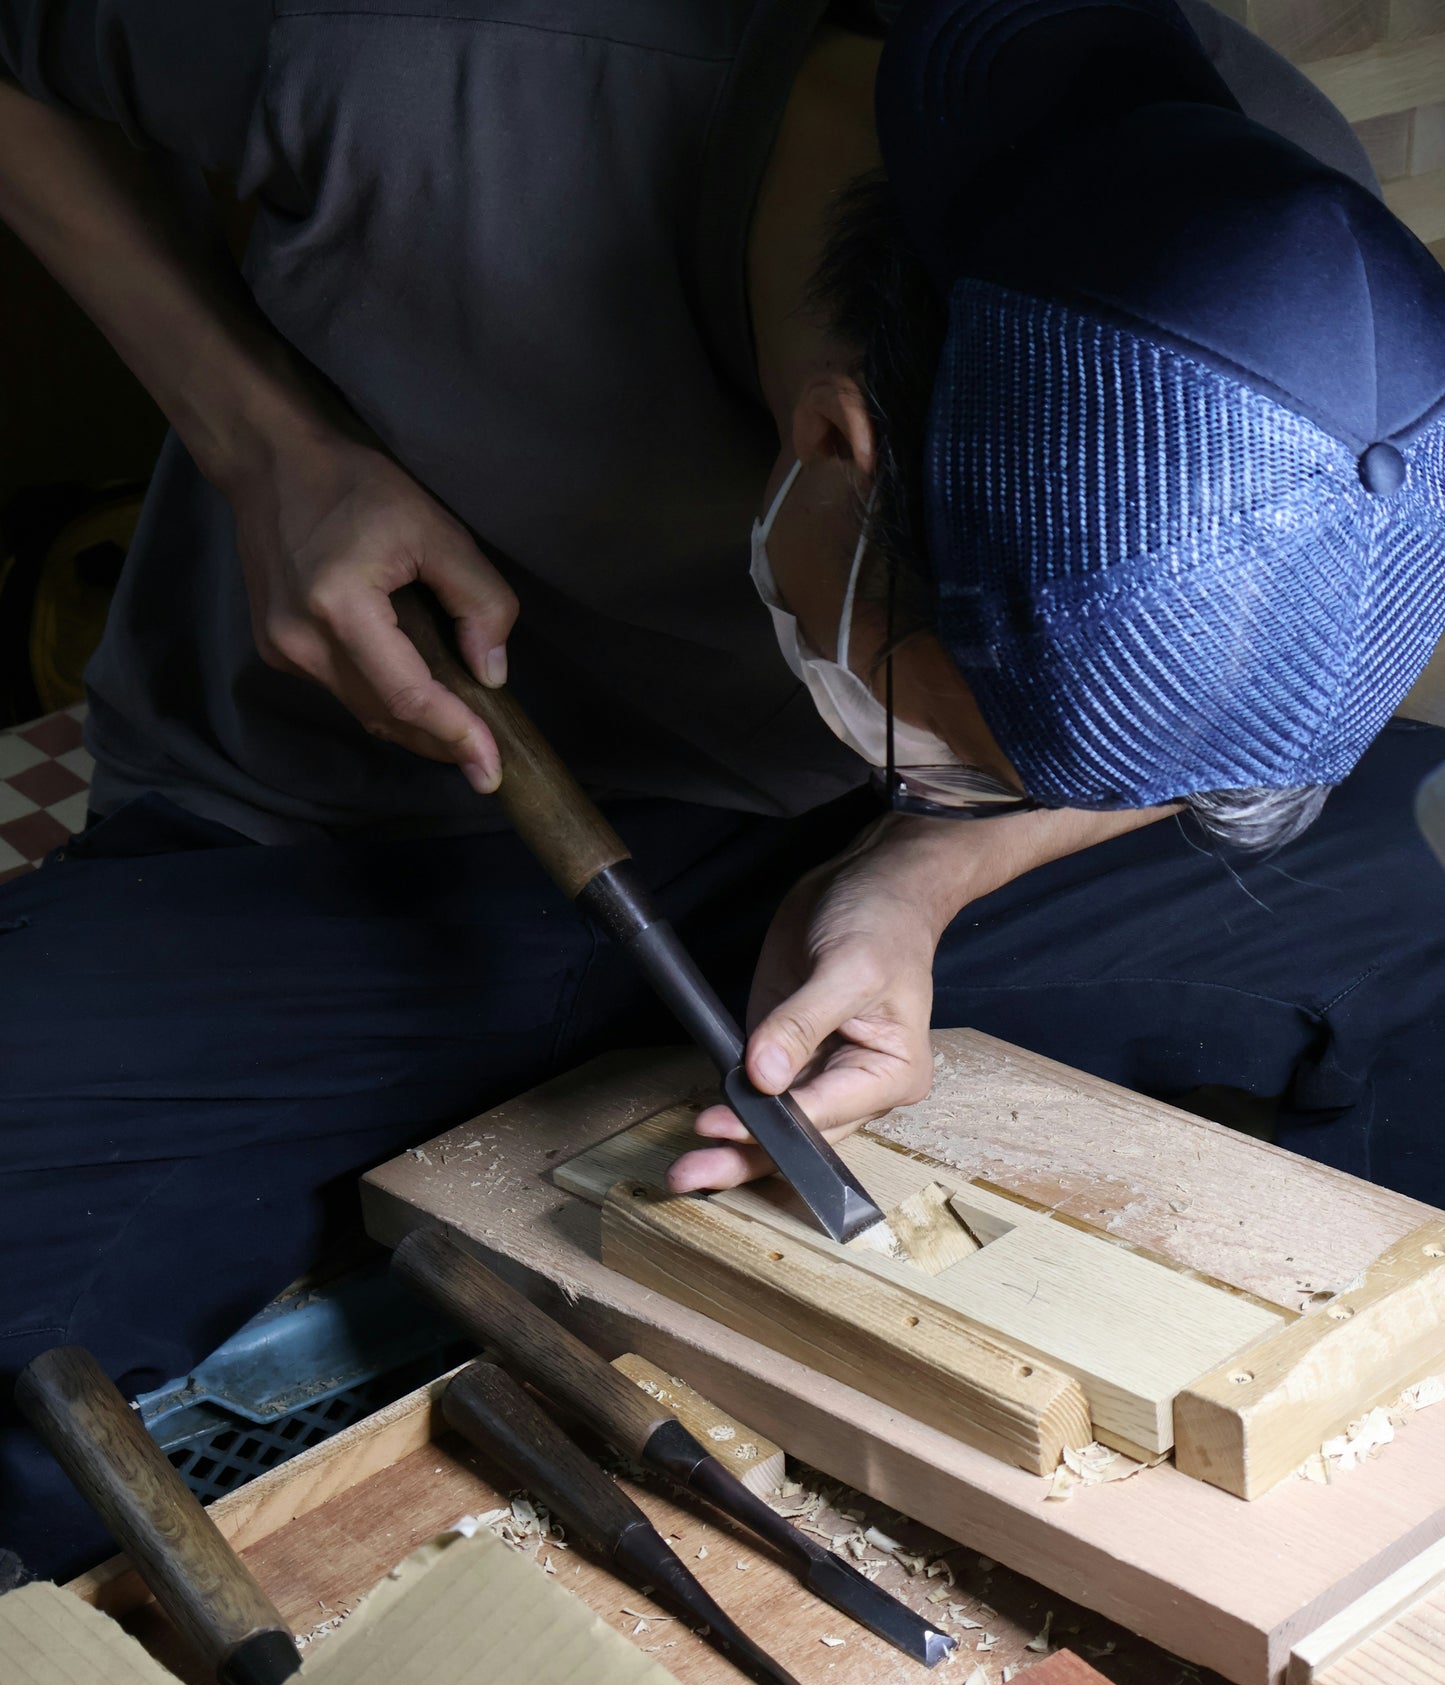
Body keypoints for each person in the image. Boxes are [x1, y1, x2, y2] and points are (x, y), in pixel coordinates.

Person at [2, 0, 1443, 1580]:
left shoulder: (1275, 248)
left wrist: (924, 870)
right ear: (841, 447)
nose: (992, 786)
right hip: (359, 827)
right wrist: (257, 438)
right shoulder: (400, 58)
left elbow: (1196, 759)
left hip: (827, 852)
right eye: (968, 744)